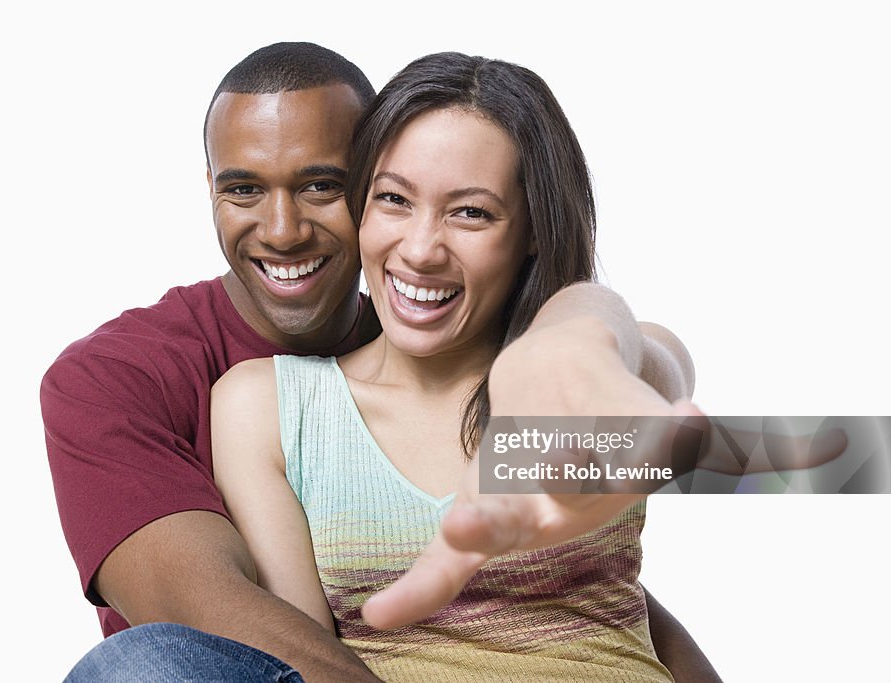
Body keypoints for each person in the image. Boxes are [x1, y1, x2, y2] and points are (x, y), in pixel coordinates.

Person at [43, 42, 723, 682]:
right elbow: (229, 616)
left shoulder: (543, 371)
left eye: (320, 186)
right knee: (140, 664)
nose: (282, 230)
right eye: (244, 189)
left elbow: (610, 586)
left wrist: (591, 321)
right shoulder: (230, 398)